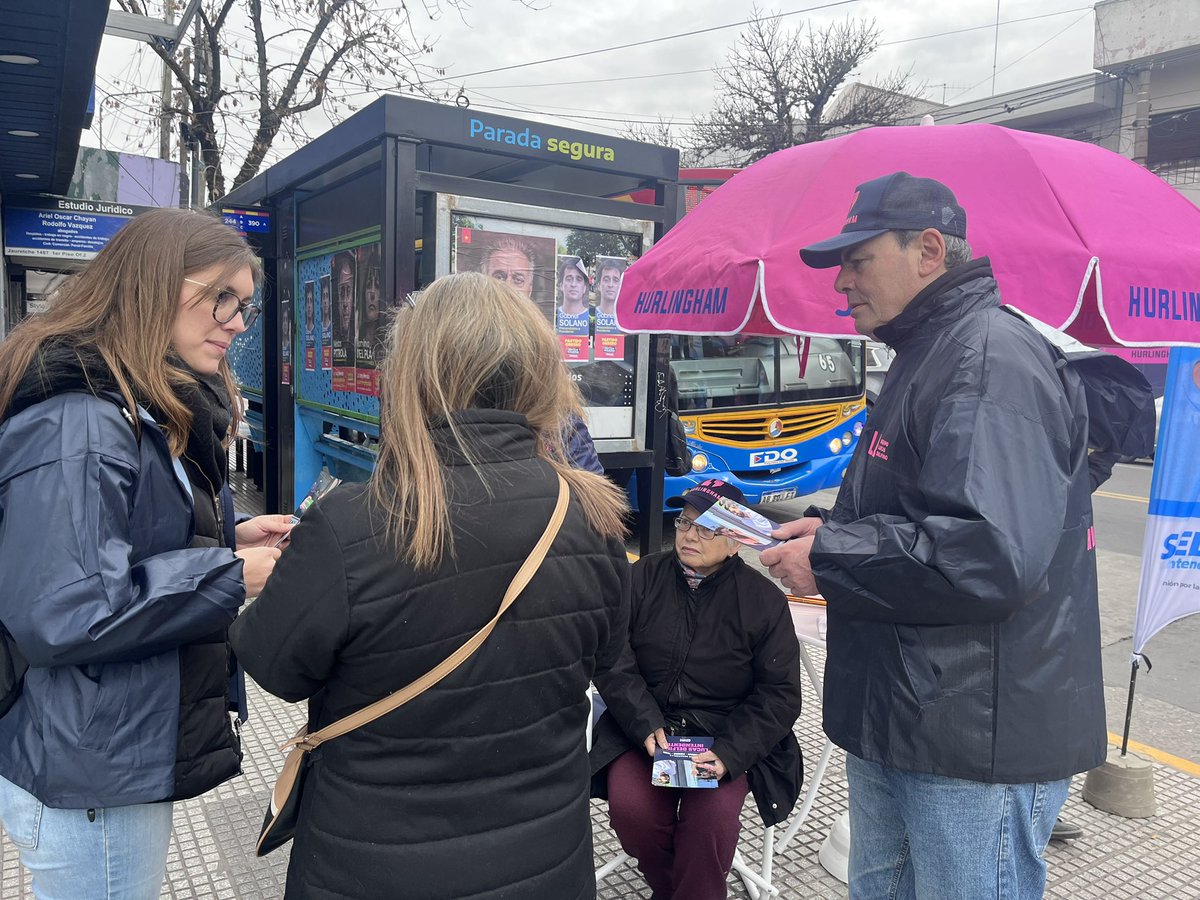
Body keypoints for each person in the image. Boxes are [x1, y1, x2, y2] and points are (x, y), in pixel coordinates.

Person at [229, 271, 641, 900]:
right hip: (545, 861)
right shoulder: (594, 512)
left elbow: (276, 668)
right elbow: (606, 657)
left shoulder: (350, 524)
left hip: (372, 864)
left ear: (411, 372)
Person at [760, 172, 1106, 899]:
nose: (843, 283)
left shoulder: (985, 359)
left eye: (858, 260)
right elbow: (926, 510)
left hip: (971, 738)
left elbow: (988, 553)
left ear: (926, 250)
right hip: (907, 717)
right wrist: (828, 530)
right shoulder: (932, 352)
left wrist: (831, 556)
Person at [0, 208, 291, 898]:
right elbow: (63, 611)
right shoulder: (83, 419)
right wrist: (226, 574)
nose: (237, 323)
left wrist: (230, 535)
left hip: (105, 752)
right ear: (154, 286)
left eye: (244, 305)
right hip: (90, 770)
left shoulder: (124, 405)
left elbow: (120, 541)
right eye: (221, 296)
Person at [590, 479, 803, 900]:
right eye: (686, 523)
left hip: (725, 736)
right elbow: (611, 656)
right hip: (648, 729)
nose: (690, 535)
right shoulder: (642, 577)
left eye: (708, 528)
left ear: (735, 543)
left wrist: (729, 754)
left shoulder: (763, 601)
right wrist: (643, 720)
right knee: (634, 812)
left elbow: (780, 696)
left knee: (711, 824)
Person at [556, 254, 591, 332]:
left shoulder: (592, 323)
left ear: (585, 288)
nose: (573, 284)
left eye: (578, 279)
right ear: (561, 285)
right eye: (569, 279)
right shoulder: (553, 319)